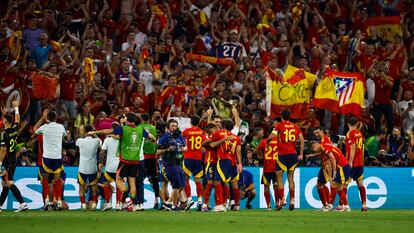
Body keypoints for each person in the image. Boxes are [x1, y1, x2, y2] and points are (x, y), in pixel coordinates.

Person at [89, 112, 156, 211]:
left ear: (128, 120)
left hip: (125, 160)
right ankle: (134, 204)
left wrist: (95, 132)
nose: (123, 118)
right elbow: (150, 136)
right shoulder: (140, 129)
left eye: (125, 117)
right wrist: (153, 140)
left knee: (118, 179)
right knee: (132, 181)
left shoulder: (123, 129)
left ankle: (125, 192)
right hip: (136, 161)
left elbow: (107, 132)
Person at [268, 110, 304, 211]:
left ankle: (282, 199)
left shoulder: (279, 125)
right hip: (293, 155)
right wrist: (301, 153)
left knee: (279, 178)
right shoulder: (296, 127)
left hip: (282, 155)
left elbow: (272, 136)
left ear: (281, 116)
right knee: (291, 177)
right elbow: (301, 140)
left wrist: (267, 142)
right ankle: (292, 199)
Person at [34, 109, 67, 210]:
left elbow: (35, 129)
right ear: (56, 118)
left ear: (47, 118)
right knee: (57, 180)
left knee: (45, 179)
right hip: (57, 157)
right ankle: (58, 201)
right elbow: (64, 136)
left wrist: (42, 118)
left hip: (47, 157)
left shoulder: (44, 127)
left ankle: (47, 201)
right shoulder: (61, 127)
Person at [0, 101, 28, 212]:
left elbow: (2, 150)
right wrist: (16, 107)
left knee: (9, 182)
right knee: (6, 184)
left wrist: (0, 162)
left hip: (6, 162)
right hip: (13, 160)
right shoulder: (14, 130)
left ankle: (22, 204)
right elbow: (17, 119)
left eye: (3, 119)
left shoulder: (4, 134)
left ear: (5, 121)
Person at [311, 141, 351, 212]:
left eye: (314, 147)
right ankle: (344, 205)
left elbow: (332, 158)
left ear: (317, 144)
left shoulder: (324, 148)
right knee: (337, 186)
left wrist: (335, 171)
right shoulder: (324, 149)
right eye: (312, 148)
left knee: (336, 185)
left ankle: (335, 205)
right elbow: (329, 164)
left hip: (343, 166)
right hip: (341, 166)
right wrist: (330, 177)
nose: (314, 149)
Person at [157, 119, 186, 211]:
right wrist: (167, 149)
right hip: (169, 164)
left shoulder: (179, 137)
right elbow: (157, 151)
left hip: (178, 163)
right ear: (168, 127)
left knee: (182, 185)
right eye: (172, 126)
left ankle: (168, 203)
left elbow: (184, 146)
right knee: (176, 186)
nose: (174, 128)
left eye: (175, 126)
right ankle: (174, 206)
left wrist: (183, 149)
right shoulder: (164, 138)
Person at [182, 115, 207, 210]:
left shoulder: (187, 131)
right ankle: (200, 200)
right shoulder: (202, 132)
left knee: (186, 179)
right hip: (198, 158)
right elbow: (205, 143)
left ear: (191, 122)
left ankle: (189, 199)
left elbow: (182, 138)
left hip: (188, 157)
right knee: (197, 181)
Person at [76, 125, 102, 211]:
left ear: (84, 131)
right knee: (94, 188)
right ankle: (94, 205)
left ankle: (83, 204)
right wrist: (94, 133)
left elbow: (77, 142)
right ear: (92, 131)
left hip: (82, 168)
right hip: (92, 168)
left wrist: (82, 133)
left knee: (81, 188)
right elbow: (101, 143)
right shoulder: (97, 141)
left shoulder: (80, 141)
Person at [345, 117, 367, 211]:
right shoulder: (359, 133)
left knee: (344, 185)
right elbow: (361, 145)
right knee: (360, 184)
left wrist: (349, 161)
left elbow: (353, 147)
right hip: (360, 162)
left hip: (353, 163)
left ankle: (344, 205)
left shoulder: (349, 133)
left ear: (347, 124)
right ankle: (364, 205)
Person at [99, 122, 121, 211]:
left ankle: (108, 203)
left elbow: (102, 152)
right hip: (120, 165)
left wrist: (101, 162)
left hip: (110, 166)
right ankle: (118, 204)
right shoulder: (122, 139)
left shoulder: (107, 140)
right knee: (119, 185)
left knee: (106, 184)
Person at [140, 113, 160, 209]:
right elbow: (155, 141)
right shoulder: (153, 128)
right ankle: (157, 199)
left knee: (139, 180)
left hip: (142, 157)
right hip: (152, 157)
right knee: (154, 179)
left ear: (141, 119)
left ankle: (139, 202)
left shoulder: (139, 127)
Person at [256, 136, 278, 210]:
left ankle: (268, 206)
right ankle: (277, 204)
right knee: (276, 187)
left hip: (267, 169)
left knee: (266, 187)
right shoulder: (279, 141)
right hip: (277, 169)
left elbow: (257, 149)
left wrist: (260, 155)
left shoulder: (264, 141)